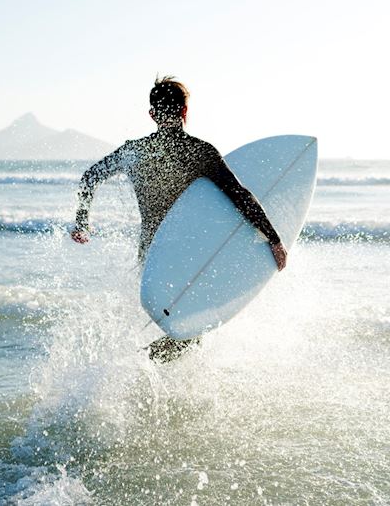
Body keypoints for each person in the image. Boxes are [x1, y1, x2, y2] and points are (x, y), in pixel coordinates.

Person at [70, 76, 288, 361]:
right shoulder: (200, 152)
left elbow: (90, 177)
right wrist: (273, 238)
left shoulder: (135, 150)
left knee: (174, 324)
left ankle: (138, 367)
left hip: (151, 254)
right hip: (189, 254)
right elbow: (239, 195)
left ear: (152, 114)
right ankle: (141, 364)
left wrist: (82, 222)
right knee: (191, 329)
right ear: (185, 111)